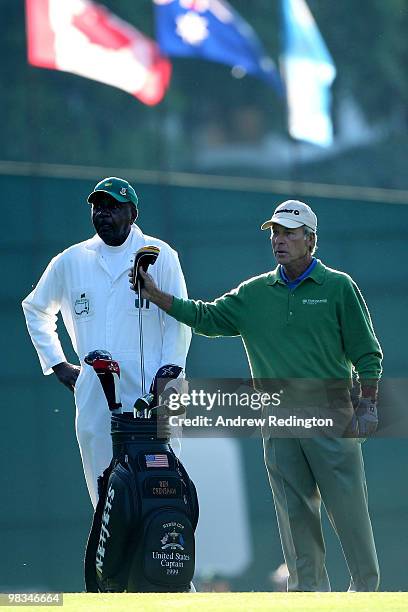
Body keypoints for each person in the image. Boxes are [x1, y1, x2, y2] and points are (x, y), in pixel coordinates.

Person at [133, 199, 382, 592]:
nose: (279, 240)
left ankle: (365, 591)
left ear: (310, 239)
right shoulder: (254, 293)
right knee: (294, 513)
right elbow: (207, 317)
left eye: (288, 232)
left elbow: (367, 353)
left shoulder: (338, 287)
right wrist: (158, 295)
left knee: (347, 510)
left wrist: (368, 404)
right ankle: (307, 593)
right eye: (275, 233)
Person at [22, 177, 191, 508]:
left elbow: (178, 318)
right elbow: (36, 308)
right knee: (104, 493)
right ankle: (112, 554)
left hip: (154, 387)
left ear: (133, 213)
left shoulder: (160, 255)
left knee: (160, 487)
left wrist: (170, 370)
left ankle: (160, 554)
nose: (103, 213)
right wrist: (57, 364)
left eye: (113, 207)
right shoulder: (71, 260)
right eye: (98, 206)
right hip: (95, 388)